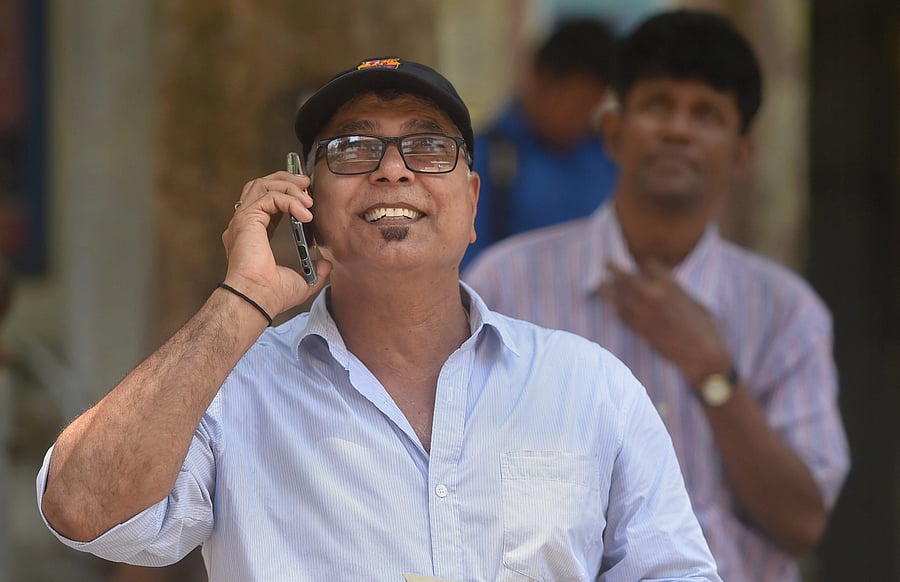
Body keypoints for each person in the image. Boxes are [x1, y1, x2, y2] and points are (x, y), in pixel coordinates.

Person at [36, 57, 720, 580]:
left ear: (473, 200)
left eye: (428, 147)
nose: (393, 171)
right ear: (303, 196)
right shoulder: (232, 389)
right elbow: (82, 508)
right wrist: (242, 297)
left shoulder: (588, 384)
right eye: (353, 148)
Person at [464, 10, 850, 582]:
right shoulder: (506, 283)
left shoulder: (787, 312)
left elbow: (800, 523)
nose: (678, 129)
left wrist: (713, 371)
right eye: (657, 105)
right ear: (614, 132)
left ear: (743, 154)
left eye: (707, 113)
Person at [461, 18, 618, 269]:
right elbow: (466, 261)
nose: (583, 118)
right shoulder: (487, 158)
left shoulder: (607, 158)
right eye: (577, 103)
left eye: (593, 107)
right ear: (540, 82)